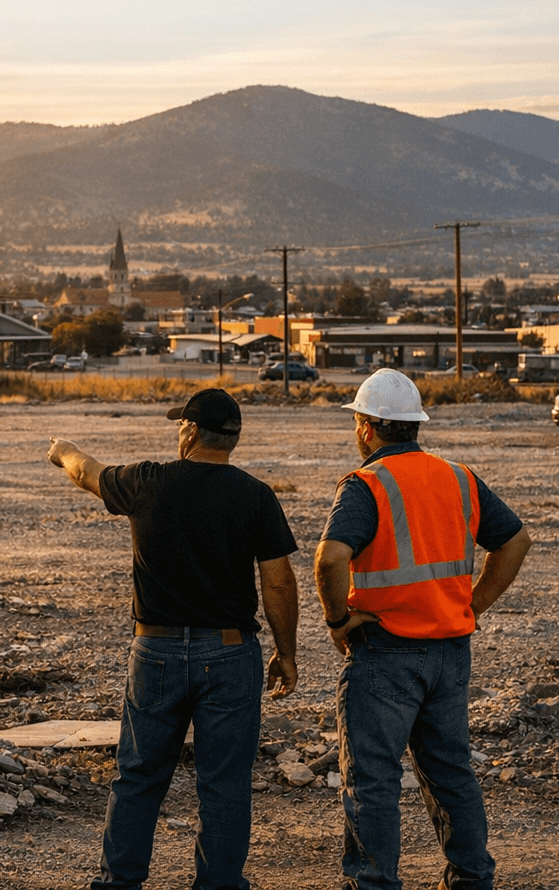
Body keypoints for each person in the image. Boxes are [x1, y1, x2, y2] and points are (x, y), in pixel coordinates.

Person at [47, 387, 300, 890]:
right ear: (232, 438)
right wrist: (286, 653)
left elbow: (85, 472)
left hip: (155, 651)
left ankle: (119, 883)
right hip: (230, 653)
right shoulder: (256, 495)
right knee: (224, 787)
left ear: (188, 430)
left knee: (139, 778)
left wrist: (61, 449)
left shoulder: (148, 481)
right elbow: (278, 581)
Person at [314, 369, 532, 890]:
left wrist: (338, 620)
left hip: (386, 653)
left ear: (367, 428)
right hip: (450, 653)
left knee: (373, 781)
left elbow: (329, 558)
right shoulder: (458, 477)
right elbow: (516, 541)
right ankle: (471, 878)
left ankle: (374, 883)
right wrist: (471, 605)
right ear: (413, 425)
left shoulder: (366, 484)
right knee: (452, 772)